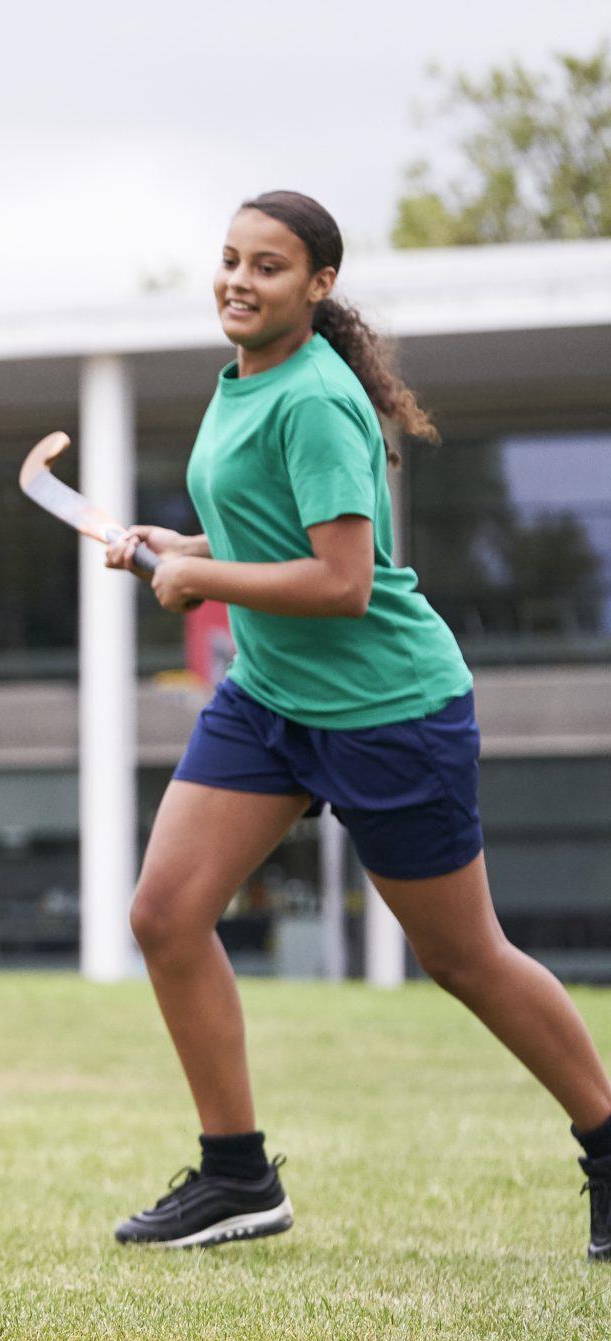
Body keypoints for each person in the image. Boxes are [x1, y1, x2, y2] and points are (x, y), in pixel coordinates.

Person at [106, 190, 611, 1258]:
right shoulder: (242, 377)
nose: (239, 281)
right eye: (230, 259)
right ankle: (236, 1176)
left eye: (270, 266)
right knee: (164, 914)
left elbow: (341, 582)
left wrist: (200, 579)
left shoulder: (317, 400)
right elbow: (272, 523)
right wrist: (182, 538)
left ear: (318, 286)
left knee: (463, 958)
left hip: (388, 710)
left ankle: (610, 1145)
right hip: (269, 699)